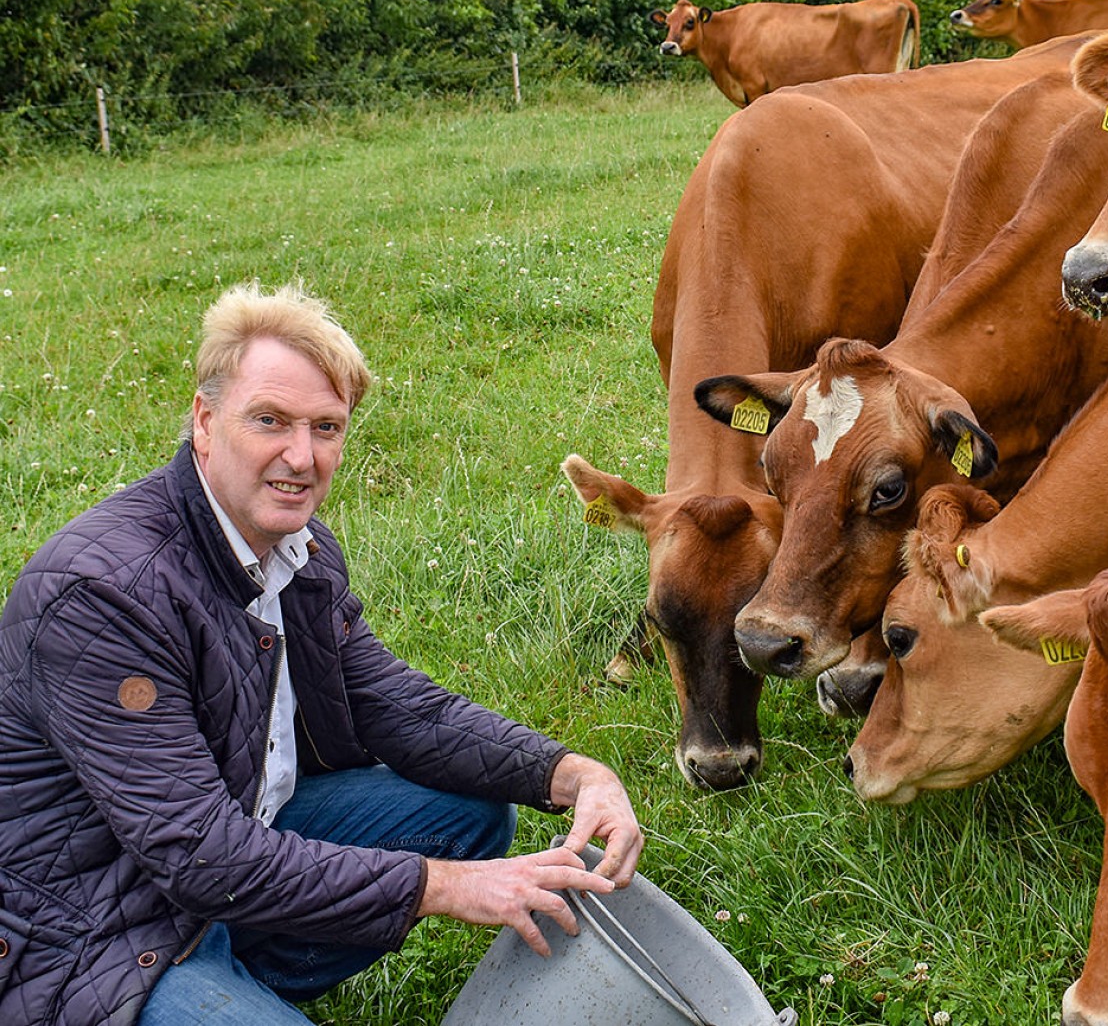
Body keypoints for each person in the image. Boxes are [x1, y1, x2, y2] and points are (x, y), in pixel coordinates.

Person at [0, 282, 644, 1026]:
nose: (301, 457)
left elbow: (389, 701)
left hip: (233, 855)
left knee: (470, 812)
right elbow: (200, 855)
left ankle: (244, 981)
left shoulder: (296, 549)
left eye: (327, 427)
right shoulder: (101, 595)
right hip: (92, 926)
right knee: (445, 865)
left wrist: (569, 772)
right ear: (205, 422)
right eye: (269, 420)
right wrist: (444, 885)